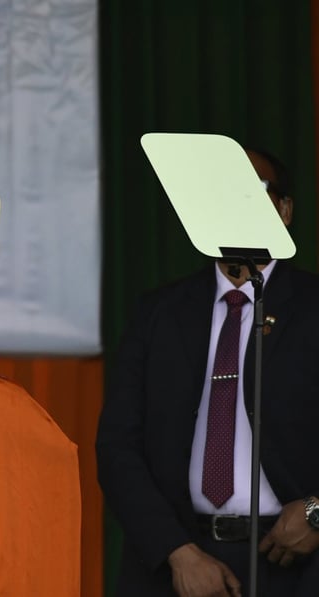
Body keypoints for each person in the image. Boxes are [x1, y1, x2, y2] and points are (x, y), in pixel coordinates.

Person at [96, 148, 319, 596]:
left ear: (285, 210)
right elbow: (118, 446)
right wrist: (177, 551)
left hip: (294, 563)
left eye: (252, 191)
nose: (235, 203)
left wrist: (317, 511)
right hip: (178, 564)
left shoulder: (313, 306)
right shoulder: (158, 312)